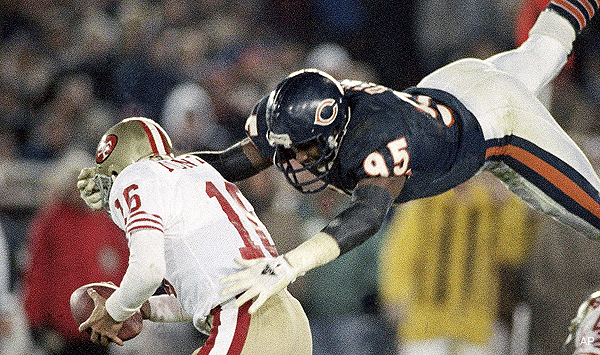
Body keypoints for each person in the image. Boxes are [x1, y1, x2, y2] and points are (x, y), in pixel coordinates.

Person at [78, 0, 600, 317]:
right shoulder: (295, 119)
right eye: (287, 148)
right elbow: (230, 163)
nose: (291, 162)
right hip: (450, 87)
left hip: (497, 125)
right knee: (543, 48)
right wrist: (140, 175)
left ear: (332, 134)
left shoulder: (377, 138)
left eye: (303, 151)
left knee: (593, 212)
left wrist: (290, 263)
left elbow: (369, 215)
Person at [76, 117, 312, 355]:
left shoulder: (134, 177)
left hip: (245, 319)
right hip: (288, 318)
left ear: (117, 171)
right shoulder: (198, 169)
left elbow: (147, 271)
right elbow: (205, 296)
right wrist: (143, 308)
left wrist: (113, 312)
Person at [378, 173, 534, 355]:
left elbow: (511, 253)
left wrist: (509, 205)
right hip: (424, 324)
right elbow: (401, 251)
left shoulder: (492, 204)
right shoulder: (425, 200)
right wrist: (396, 295)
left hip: (476, 327)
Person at [24, 148, 130, 355]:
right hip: (61, 329)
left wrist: (122, 313)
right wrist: (35, 320)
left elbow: (120, 267)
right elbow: (38, 271)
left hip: (99, 327)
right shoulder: (51, 221)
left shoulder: (104, 222)